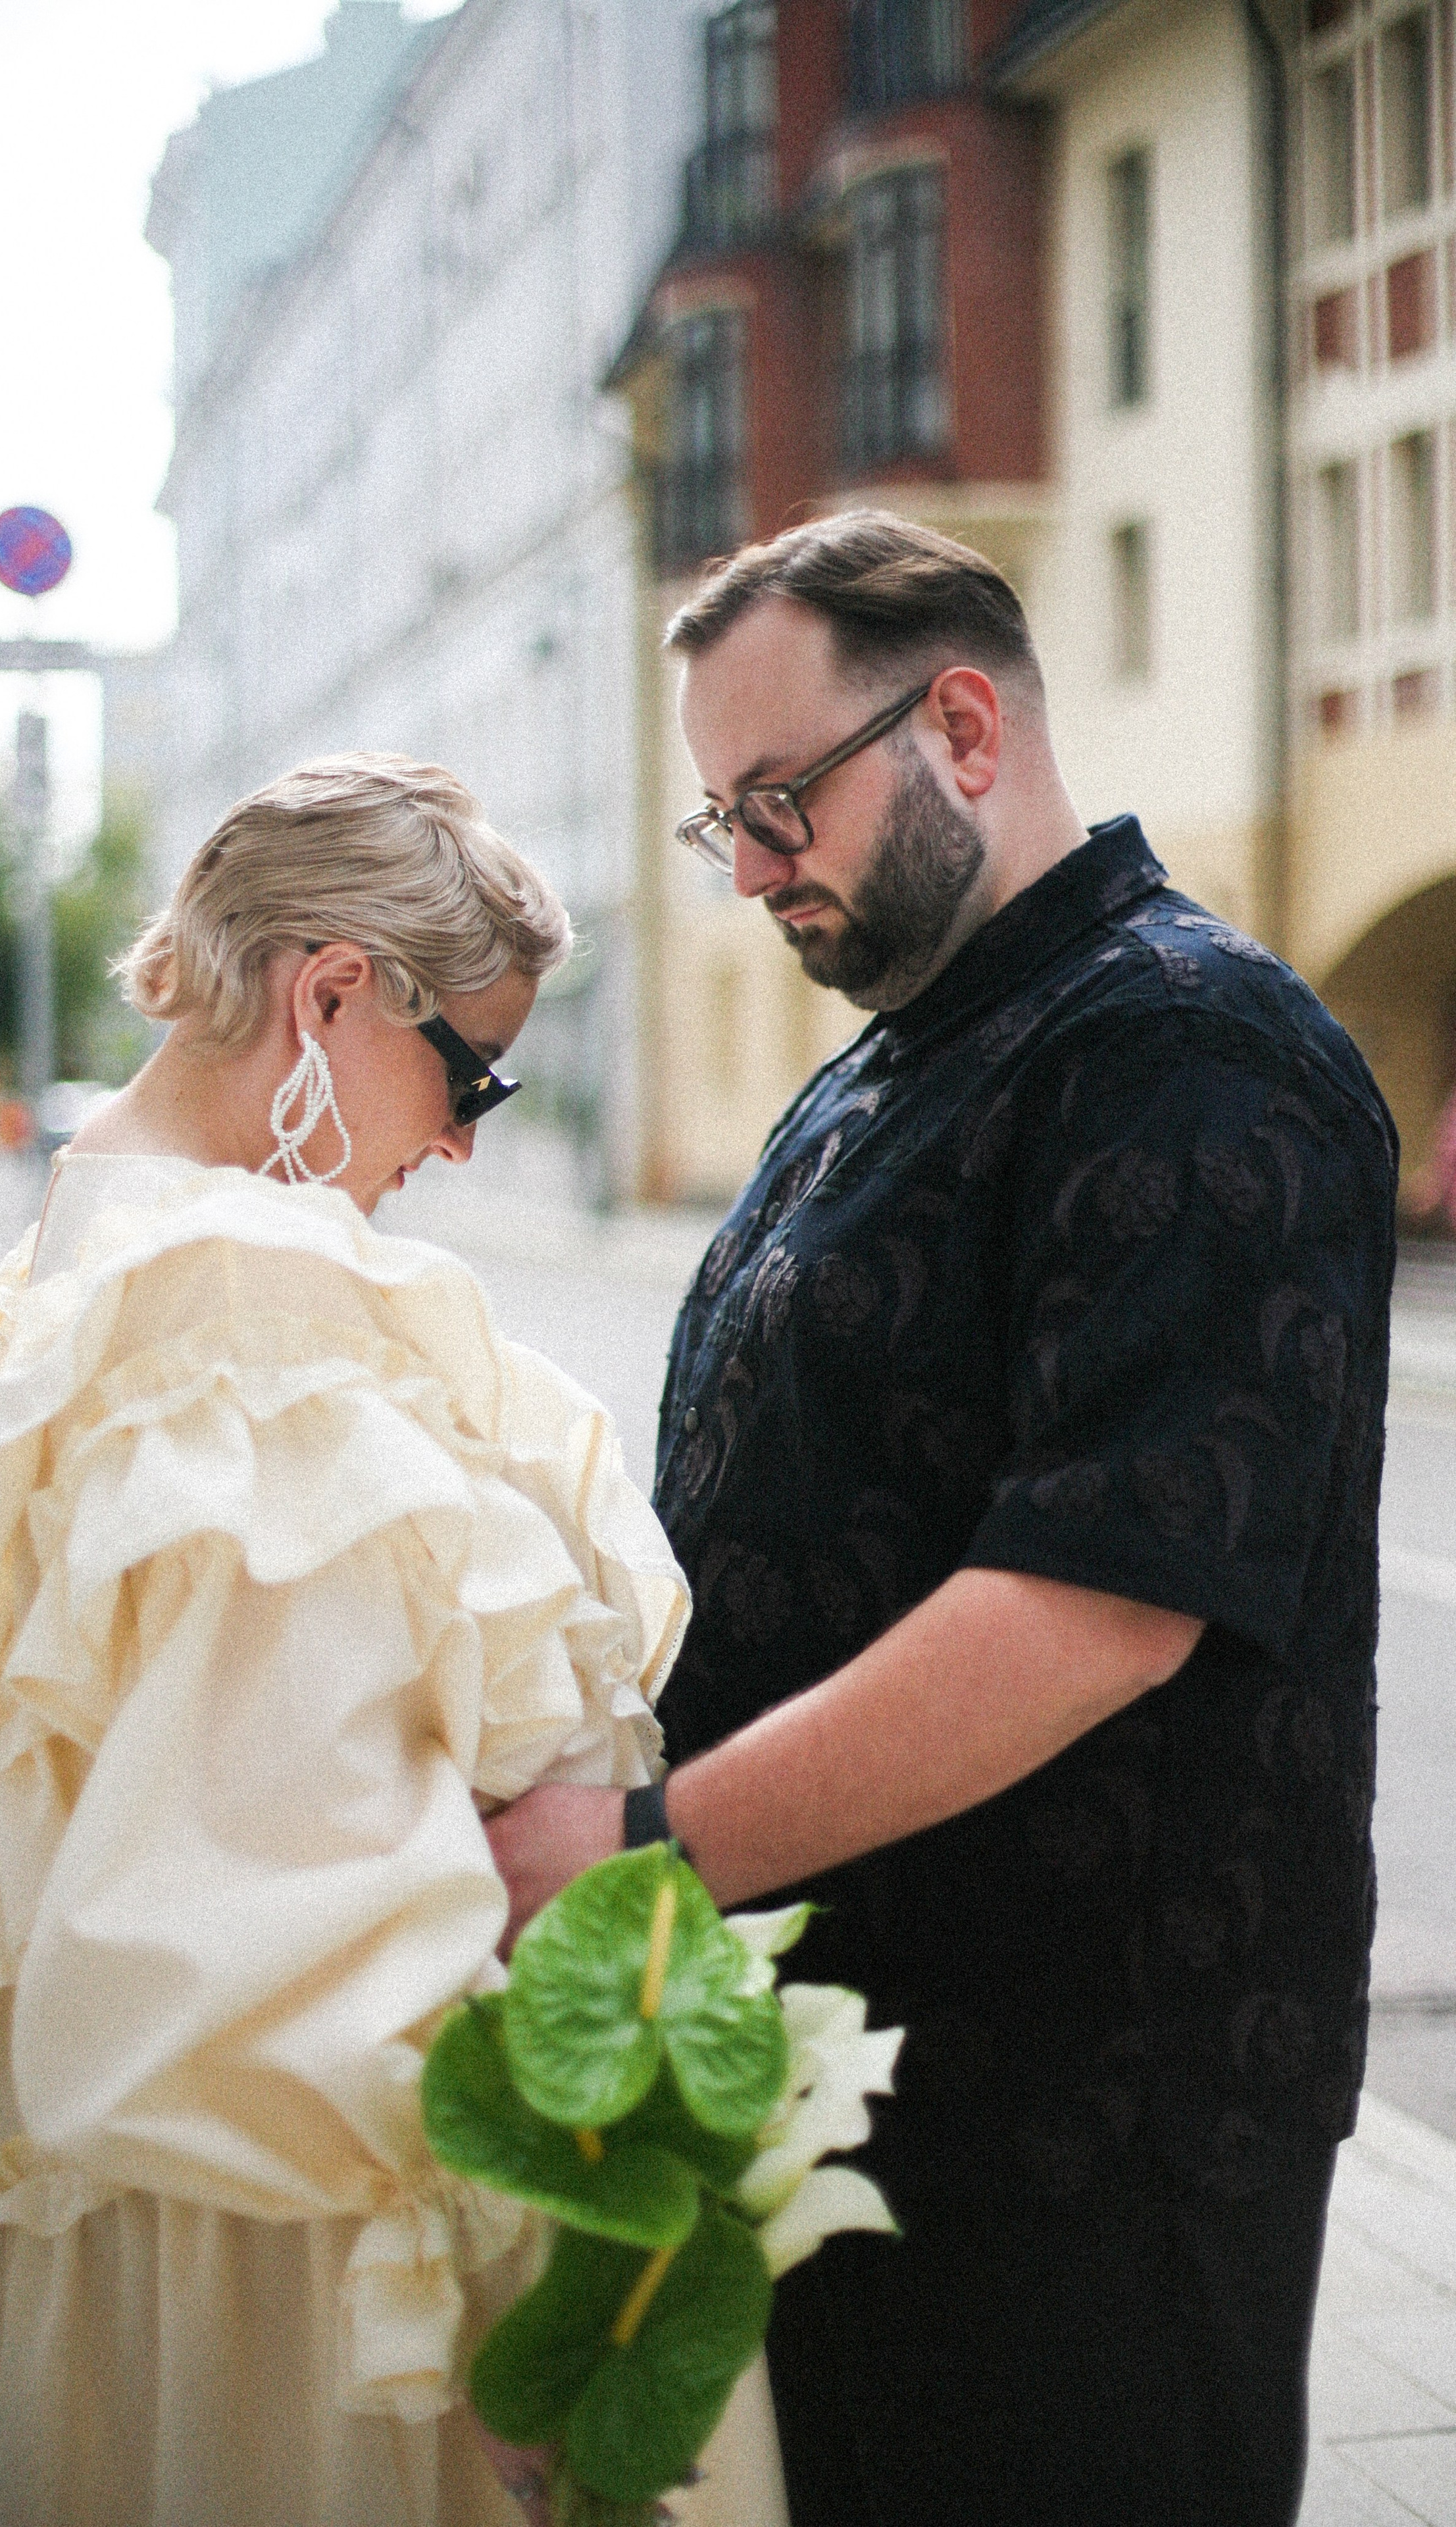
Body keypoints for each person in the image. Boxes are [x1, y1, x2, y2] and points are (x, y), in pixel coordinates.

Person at [486, 515, 1399, 2526]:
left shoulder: (1185, 1047)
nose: (743, 869)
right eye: (717, 818)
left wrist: (640, 1862)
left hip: (1090, 2117)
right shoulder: (911, 1051)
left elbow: (1095, 1606)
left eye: (776, 800)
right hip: (875, 2071)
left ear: (964, 726)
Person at [0, 755, 696, 2527]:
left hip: (136, 2239)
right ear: (327, 991)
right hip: (315, 2272)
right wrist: (512, 2324)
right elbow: (293, 1924)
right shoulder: (240, 1298)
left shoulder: (81, 1263)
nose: (465, 1139)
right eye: (473, 1070)